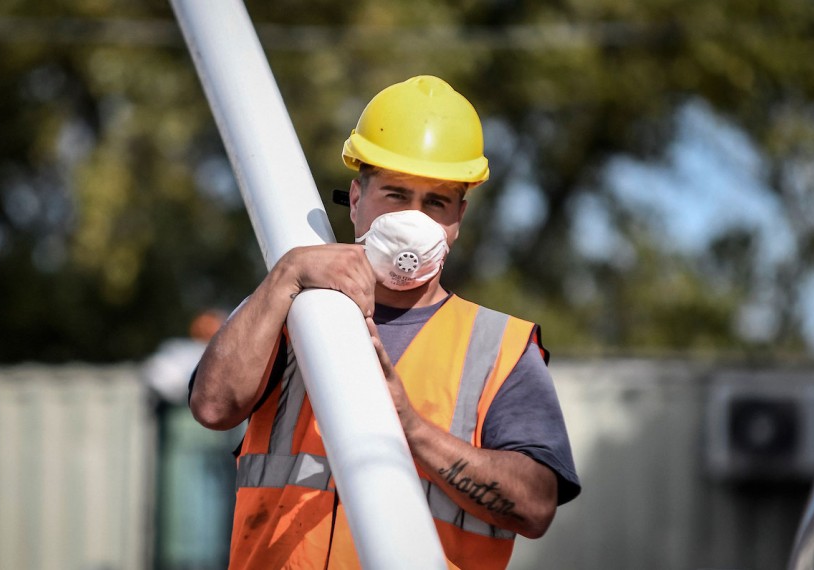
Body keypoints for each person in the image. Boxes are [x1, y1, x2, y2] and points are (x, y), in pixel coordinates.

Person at [190, 75, 581, 570]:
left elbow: (535, 506)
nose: (413, 220)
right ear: (355, 200)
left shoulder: (499, 349)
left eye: (435, 201)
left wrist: (411, 428)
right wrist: (287, 272)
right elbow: (212, 405)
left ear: (458, 217)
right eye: (395, 194)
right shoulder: (290, 308)